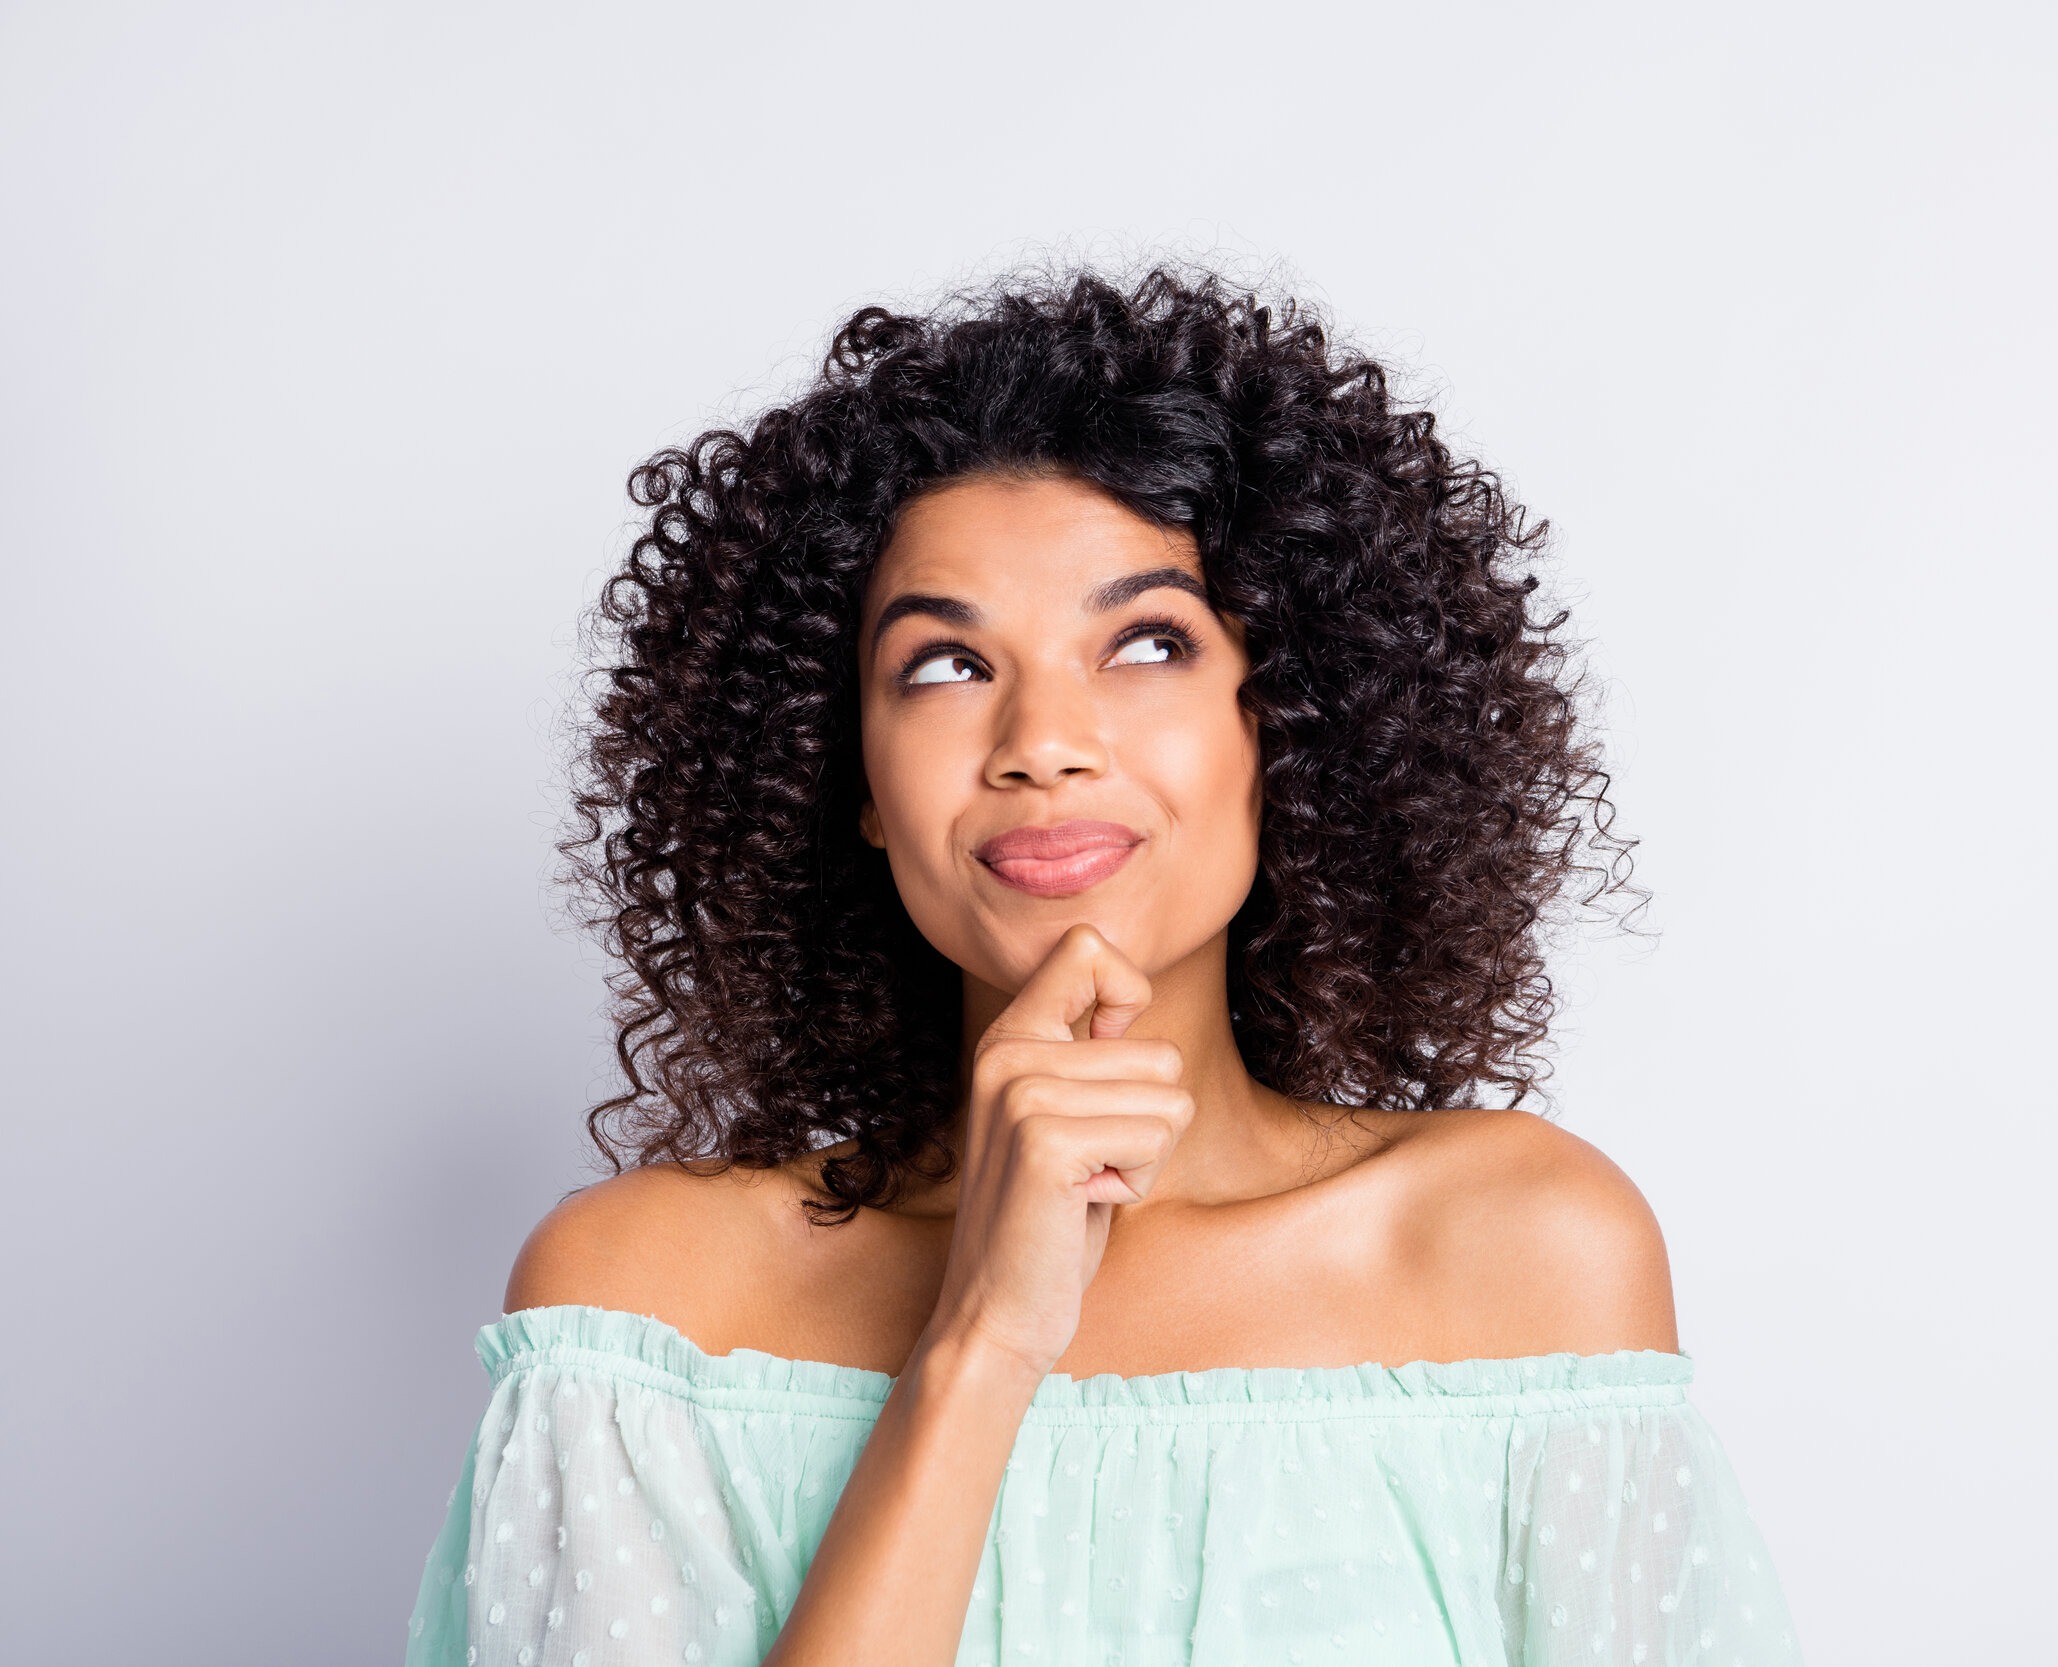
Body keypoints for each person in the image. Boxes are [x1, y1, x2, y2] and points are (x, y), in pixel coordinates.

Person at [403, 266, 1804, 1667]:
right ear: (859, 787)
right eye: (945, 667)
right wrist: (983, 1342)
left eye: (1146, 642)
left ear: (1287, 726)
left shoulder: (1519, 1255)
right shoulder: (648, 1316)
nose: (1045, 739)